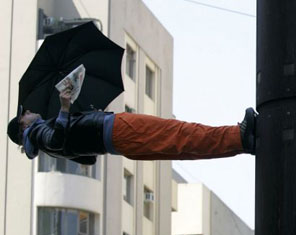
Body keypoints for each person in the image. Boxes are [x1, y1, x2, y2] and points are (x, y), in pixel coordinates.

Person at [6, 88, 257, 165]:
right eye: (24, 114)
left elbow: (88, 159)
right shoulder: (38, 132)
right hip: (119, 129)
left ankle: (241, 143)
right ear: (22, 126)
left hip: (120, 143)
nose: (28, 112)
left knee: (182, 147)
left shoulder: (41, 142)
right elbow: (58, 138)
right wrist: (64, 108)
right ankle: (238, 135)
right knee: (181, 133)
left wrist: (77, 118)